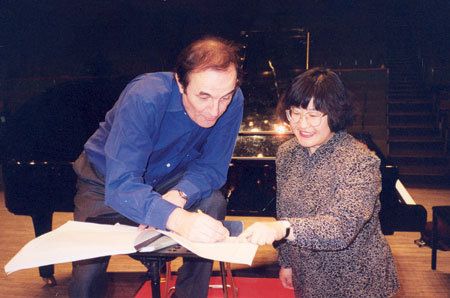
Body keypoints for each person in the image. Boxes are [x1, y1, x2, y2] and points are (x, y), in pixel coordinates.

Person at [68, 36, 244, 298]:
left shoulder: (233, 100)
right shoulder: (145, 96)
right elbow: (122, 185)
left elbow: (212, 167)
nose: (214, 110)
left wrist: (178, 196)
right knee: (87, 274)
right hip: (104, 182)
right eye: (204, 96)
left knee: (213, 203)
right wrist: (175, 217)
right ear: (180, 83)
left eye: (224, 97)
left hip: (169, 180)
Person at [239, 68, 399, 297]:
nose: (302, 124)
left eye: (314, 115)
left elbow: (342, 227)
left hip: (357, 281)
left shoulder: (361, 161)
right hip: (307, 277)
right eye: (295, 113)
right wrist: (286, 262)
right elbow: (285, 210)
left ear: (334, 114)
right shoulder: (287, 152)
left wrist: (282, 229)